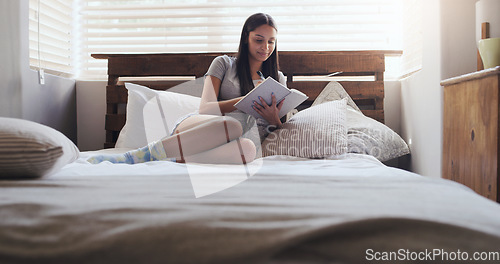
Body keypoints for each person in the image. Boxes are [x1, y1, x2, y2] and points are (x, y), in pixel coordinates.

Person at [88, 13, 287, 165]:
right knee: (233, 125)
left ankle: (173, 160)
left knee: (248, 150)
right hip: (203, 127)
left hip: (235, 142)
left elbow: (278, 129)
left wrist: (273, 120)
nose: (266, 47)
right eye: (259, 40)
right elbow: (206, 108)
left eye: (271, 42)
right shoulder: (223, 64)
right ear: (246, 38)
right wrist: (246, 99)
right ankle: (137, 155)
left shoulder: (276, 79)